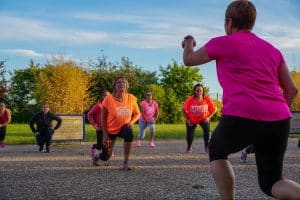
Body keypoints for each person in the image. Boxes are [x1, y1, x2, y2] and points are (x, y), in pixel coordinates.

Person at [182, 1, 300, 199]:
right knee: (272, 182)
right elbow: (292, 89)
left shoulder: (222, 42)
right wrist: (274, 114)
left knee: (217, 151)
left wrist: (188, 43)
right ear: (251, 22)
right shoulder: (273, 50)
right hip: (279, 119)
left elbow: (189, 60)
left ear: (229, 23)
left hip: (241, 114)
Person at [90, 76, 140, 170]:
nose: (121, 84)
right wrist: (105, 134)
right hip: (110, 131)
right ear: (115, 86)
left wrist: (131, 122)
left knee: (129, 131)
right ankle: (96, 156)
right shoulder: (108, 99)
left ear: (126, 85)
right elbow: (103, 118)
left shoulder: (131, 98)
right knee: (106, 156)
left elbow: (137, 113)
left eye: (123, 82)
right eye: (119, 82)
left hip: (123, 128)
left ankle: (126, 162)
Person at [182, 84, 217, 153]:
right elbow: (183, 109)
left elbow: (215, 109)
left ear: (203, 91)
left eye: (200, 90)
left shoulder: (206, 98)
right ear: (194, 91)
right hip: (192, 119)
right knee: (190, 135)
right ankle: (189, 147)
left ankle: (207, 148)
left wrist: (208, 117)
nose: (199, 92)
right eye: (197, 90)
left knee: (207, 132)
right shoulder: (190, 99)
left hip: (204, 119)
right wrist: (188, 119)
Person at [87, 90, 110, 166]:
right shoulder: (98, 105)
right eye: (105, 95)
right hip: (100, 129)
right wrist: (94, 125)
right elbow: (89, 114)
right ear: (102, 96)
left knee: (105, 152)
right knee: (99, 146)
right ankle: (94, 147)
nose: (106, 97)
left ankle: (97, 158)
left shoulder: (111, 105)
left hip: (108, 129)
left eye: (108, 95)